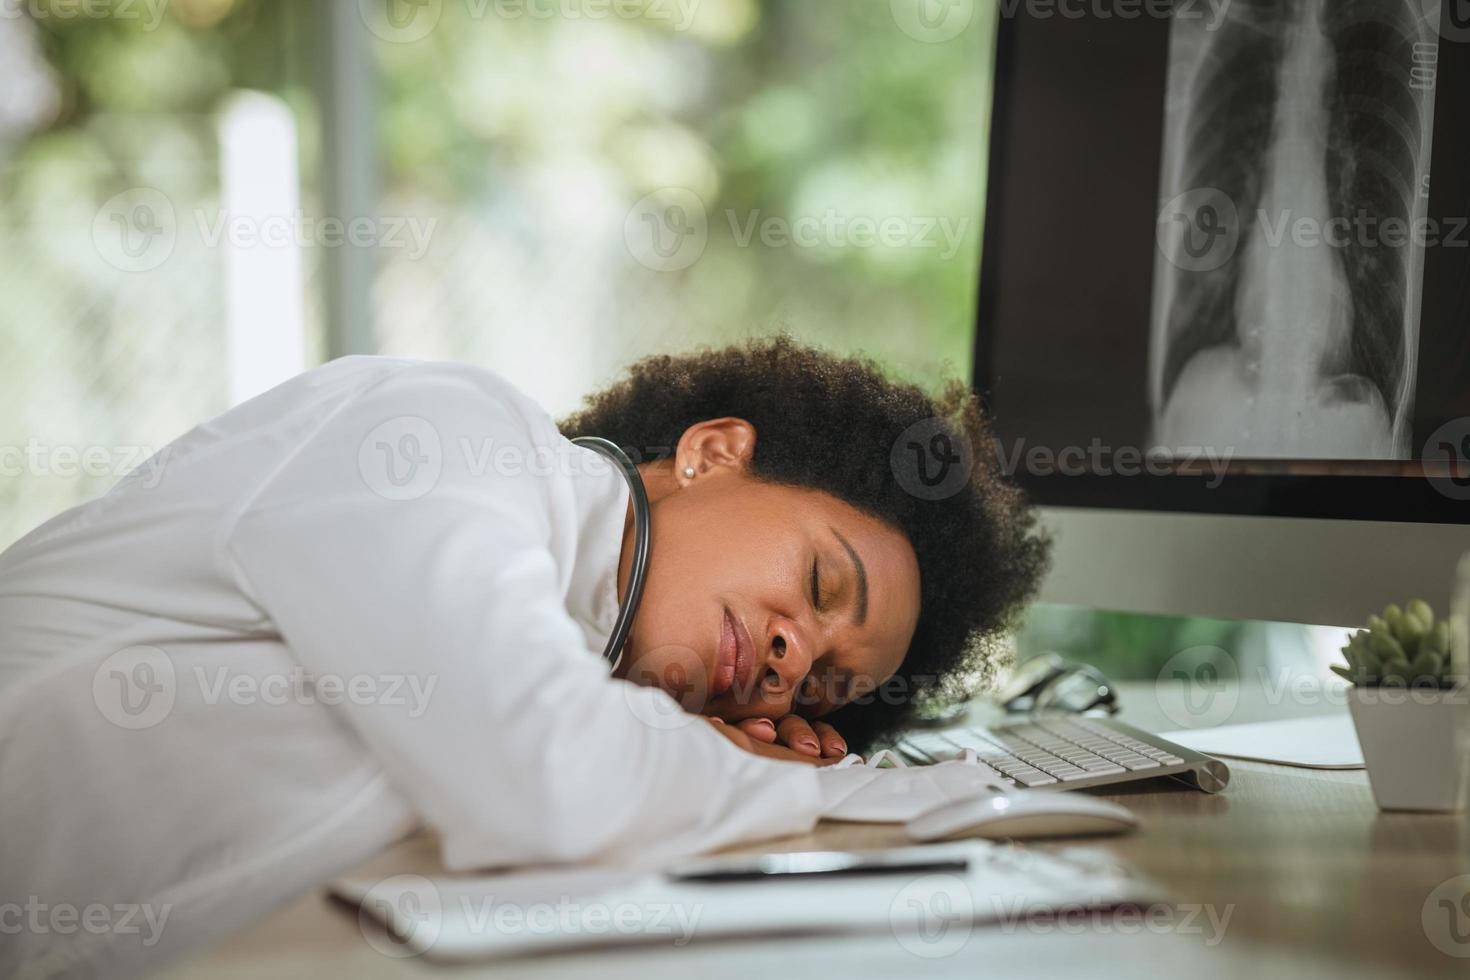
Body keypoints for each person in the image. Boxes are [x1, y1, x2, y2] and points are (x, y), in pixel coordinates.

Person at [0, 337, 1048, 978]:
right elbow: (533, 780)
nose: (789, 655)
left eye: (821, 683)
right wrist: (793, 784)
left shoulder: (584, 652)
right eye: (822, 585)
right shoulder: (449, 432)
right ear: (714, 452)